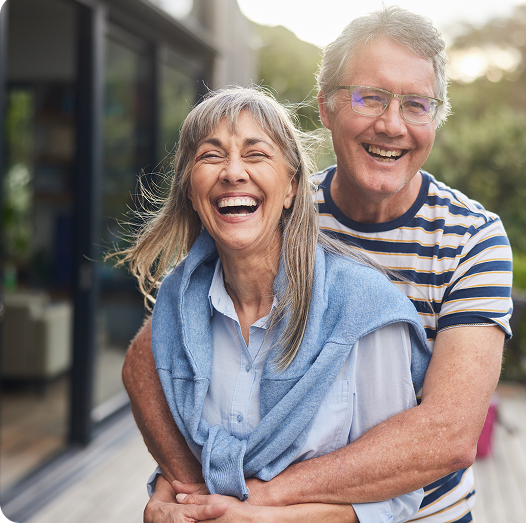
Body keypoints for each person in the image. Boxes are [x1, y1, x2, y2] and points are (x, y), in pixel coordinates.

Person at [123, 6, 513, 523]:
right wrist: (186, 486)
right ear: (326, 108)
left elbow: (448, 434)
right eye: (370, 98)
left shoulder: (473, 238)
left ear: (435, 119)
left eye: (416, 105)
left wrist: (257, 498)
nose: (391, 124)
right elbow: (154, 353)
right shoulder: (269, 204)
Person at [117, 85, 431, 522]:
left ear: (292, 187)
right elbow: (194, 455)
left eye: (256, 154)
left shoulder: (362, 311)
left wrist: (264, 519)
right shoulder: (179, 305)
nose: (232, 172)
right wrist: (165, 501)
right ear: (190, 191)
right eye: (211, 156)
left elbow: (396, 498)